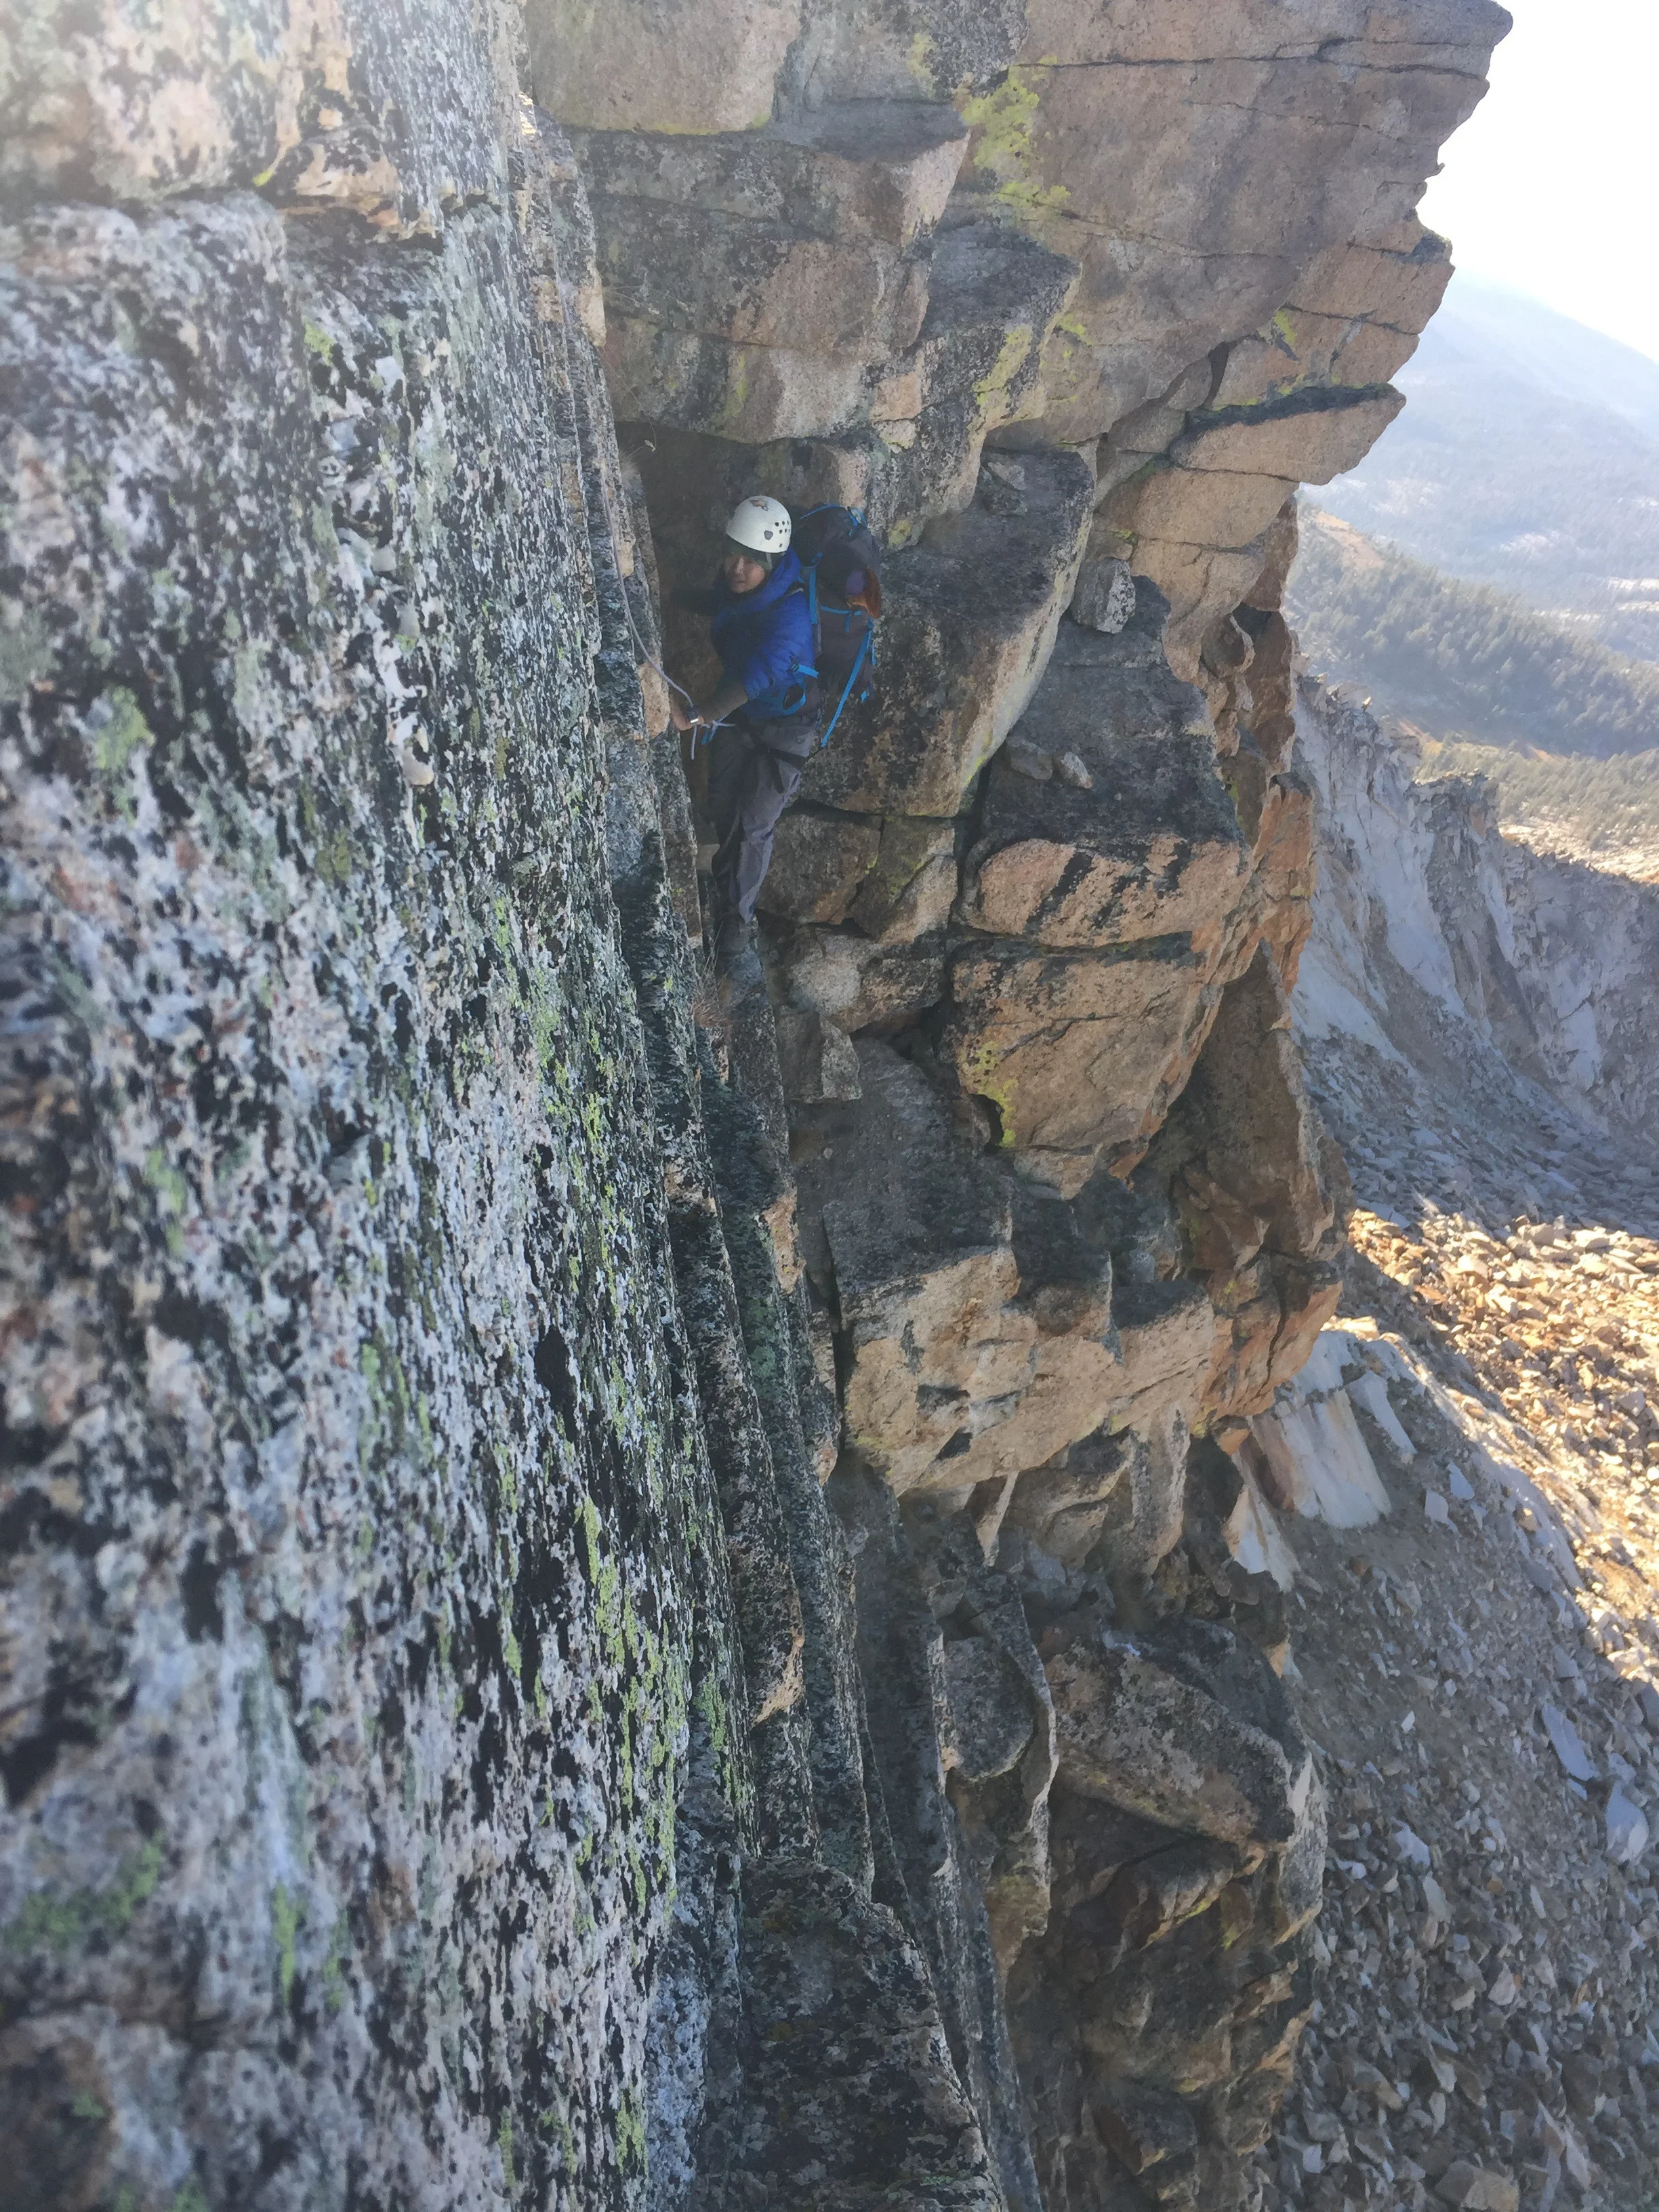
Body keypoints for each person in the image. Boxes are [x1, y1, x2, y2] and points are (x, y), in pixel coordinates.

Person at [670, 495, 819, 970]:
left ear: (772, 565)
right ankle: (722, 890)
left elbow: (761, 672)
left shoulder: (791, 615)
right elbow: (721, 601)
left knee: (755, 823)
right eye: (733, 553)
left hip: (787, 729)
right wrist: (673, 595)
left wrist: (697, 716)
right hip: (747, 718)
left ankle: (736, 924)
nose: (737, 567)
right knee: (721, 806)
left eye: (751, 561)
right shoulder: (743, 587)